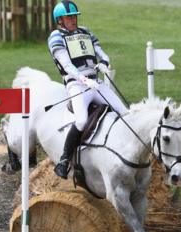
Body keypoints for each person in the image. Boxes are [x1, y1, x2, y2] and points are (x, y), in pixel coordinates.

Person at [48, 0, 128, 179]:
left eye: (75, 16)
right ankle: (64, 161)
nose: (73, 20)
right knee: (82, 120)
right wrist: (83, 79)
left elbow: (101, 52)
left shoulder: (86, 32)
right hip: (76, 84)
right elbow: (67, 65)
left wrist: (104, 64)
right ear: (60, 20)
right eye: (69, 17)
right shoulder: (56, 37)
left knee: (125, 112)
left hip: (95, 82)